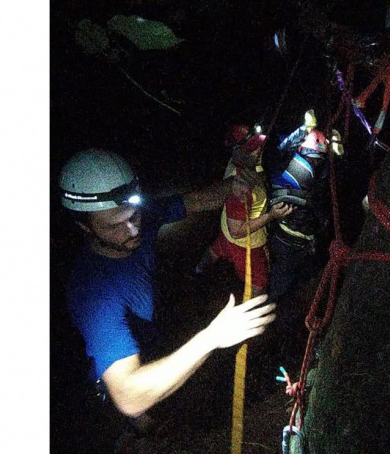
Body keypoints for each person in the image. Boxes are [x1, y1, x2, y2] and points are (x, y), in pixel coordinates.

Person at [60, 148, 276, 421]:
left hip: (153, 332)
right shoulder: (93, 293)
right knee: (146, 422)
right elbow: (128, 395)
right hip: (124, 366)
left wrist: (235, 186)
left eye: (134, 216)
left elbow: (193, 201)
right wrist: (213, 337)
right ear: (85, 228)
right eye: (115, 225)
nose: (133, 229)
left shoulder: (136, 219)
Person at [195, 124, 293, 297]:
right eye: (253, 149)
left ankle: (197, 271)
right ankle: (250, 314)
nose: (259, 151)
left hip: (226, 231)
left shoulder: (238, 162)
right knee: (258, 282)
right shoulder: (242, 187)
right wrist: (271, 215)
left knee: (217, 249)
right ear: (241, 152)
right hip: (246, 244)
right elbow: (237, 231)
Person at [268, 127, 333, 300]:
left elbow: (280, 149)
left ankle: (271, 295)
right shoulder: (313, 176)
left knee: (279, 269)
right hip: (296, 240)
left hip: (279, 232)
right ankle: (270, 302)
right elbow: (320, 212)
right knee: (284, 276)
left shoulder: (286, 165)